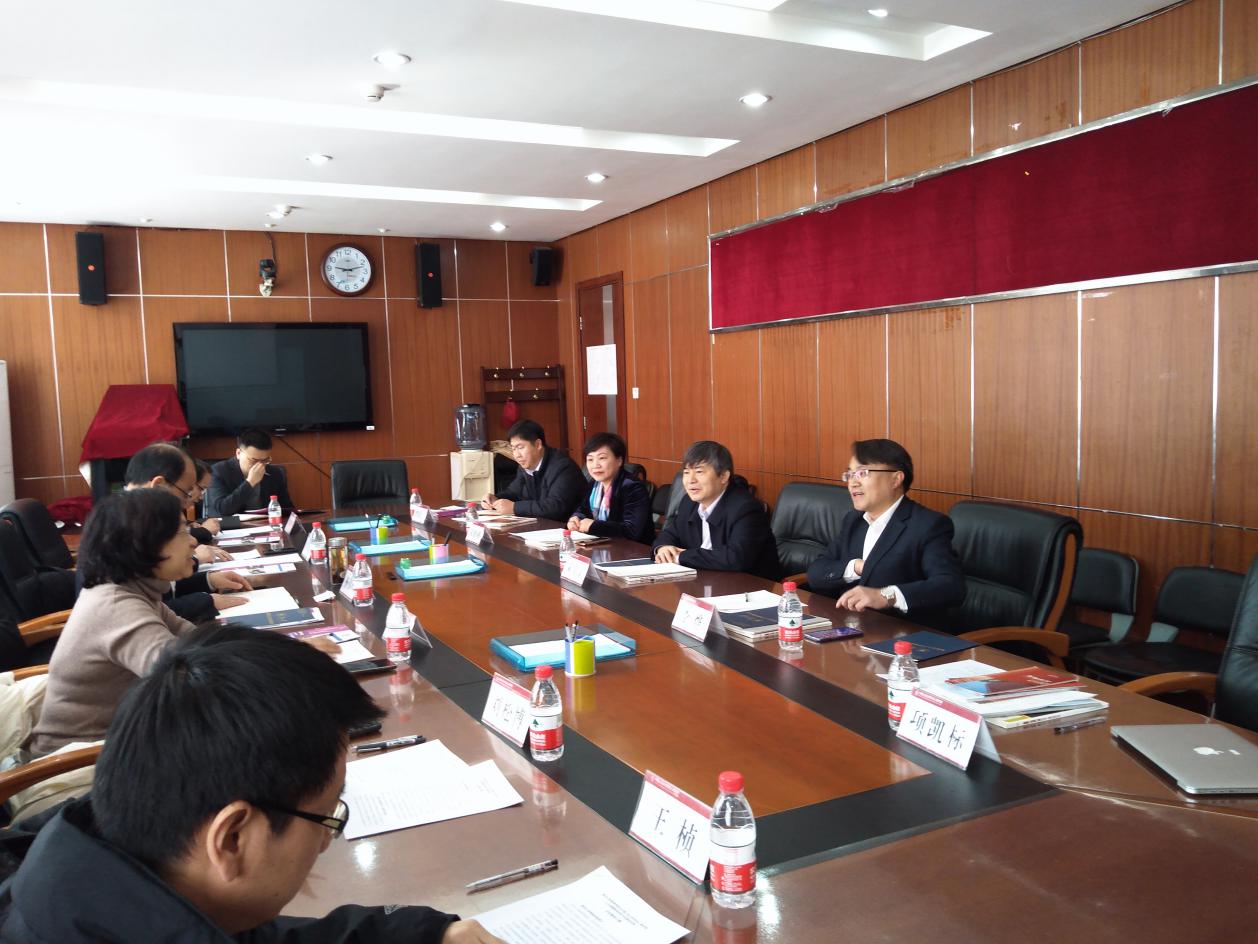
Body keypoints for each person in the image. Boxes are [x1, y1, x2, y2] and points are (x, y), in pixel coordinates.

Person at [0, 624, 504, 943]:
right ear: (232, 838)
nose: (325, 842)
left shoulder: (107, 878)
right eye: (327, 816)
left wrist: (424, 935)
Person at [29, 488, 200, 756]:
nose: (193, 541)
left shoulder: (133, 590)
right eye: (181, 531)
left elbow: (194, 638)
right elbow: (184, 681)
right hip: (77, 764)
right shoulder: (117, 606)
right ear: (142, 543)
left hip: (116, 745)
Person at [76, 443, 252, 622]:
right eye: (187, 491)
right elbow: (143, 611)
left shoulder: (139, 518)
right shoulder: (121, 530)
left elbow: (168, 588)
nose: (191, 499)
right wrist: (205, 601)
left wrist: (209, 580)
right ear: (159, 485)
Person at [805, 439, 965, 628]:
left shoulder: (928, 525)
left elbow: (950, 586)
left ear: (896, 479)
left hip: (903, 634)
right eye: (850, 474)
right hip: (851, 629)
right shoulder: (854, 520)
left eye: (862, 473)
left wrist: (886, 595)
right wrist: (856, 567)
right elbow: (816, 573)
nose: (853, 483)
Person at [653, 440, 780, 579]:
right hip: (703, 581)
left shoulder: (746, 509)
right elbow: (670, 533)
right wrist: (663, 548)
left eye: (699, 472)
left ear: (724, 476)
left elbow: (736, 558)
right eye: (686, 472)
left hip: (749, 586)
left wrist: (680, 556)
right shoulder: (688, 503)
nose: (691, 480)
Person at [482, 419, 584, 521]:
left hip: (567, 526)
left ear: (538, 444)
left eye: (520, 447)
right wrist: (495, 499)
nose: (516, 455)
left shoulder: (563, 467)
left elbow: (555, 507)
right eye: (513, 449)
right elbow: (514, 493)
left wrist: (514, 508)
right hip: (541, 525)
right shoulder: (525, 466)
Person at [566, 432, 654, 544]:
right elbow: (583, 509)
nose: (595, 465)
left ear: (619, 460)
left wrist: (594, 526)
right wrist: (575, 519)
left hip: (634, 550)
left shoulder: (632, 487)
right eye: (590, 459)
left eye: (602, 458)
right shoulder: (594, 484)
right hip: (603, 545)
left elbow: (632, 531)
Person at [203, 428, 295, 518]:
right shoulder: (218, 471)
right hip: (231, 526)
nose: (259, 465)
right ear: (238, 453)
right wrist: (250, 482)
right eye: (253, 460)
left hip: (265, 524)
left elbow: (287, 509)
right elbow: (222, 510)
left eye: (265, 460)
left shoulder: (275, 473)